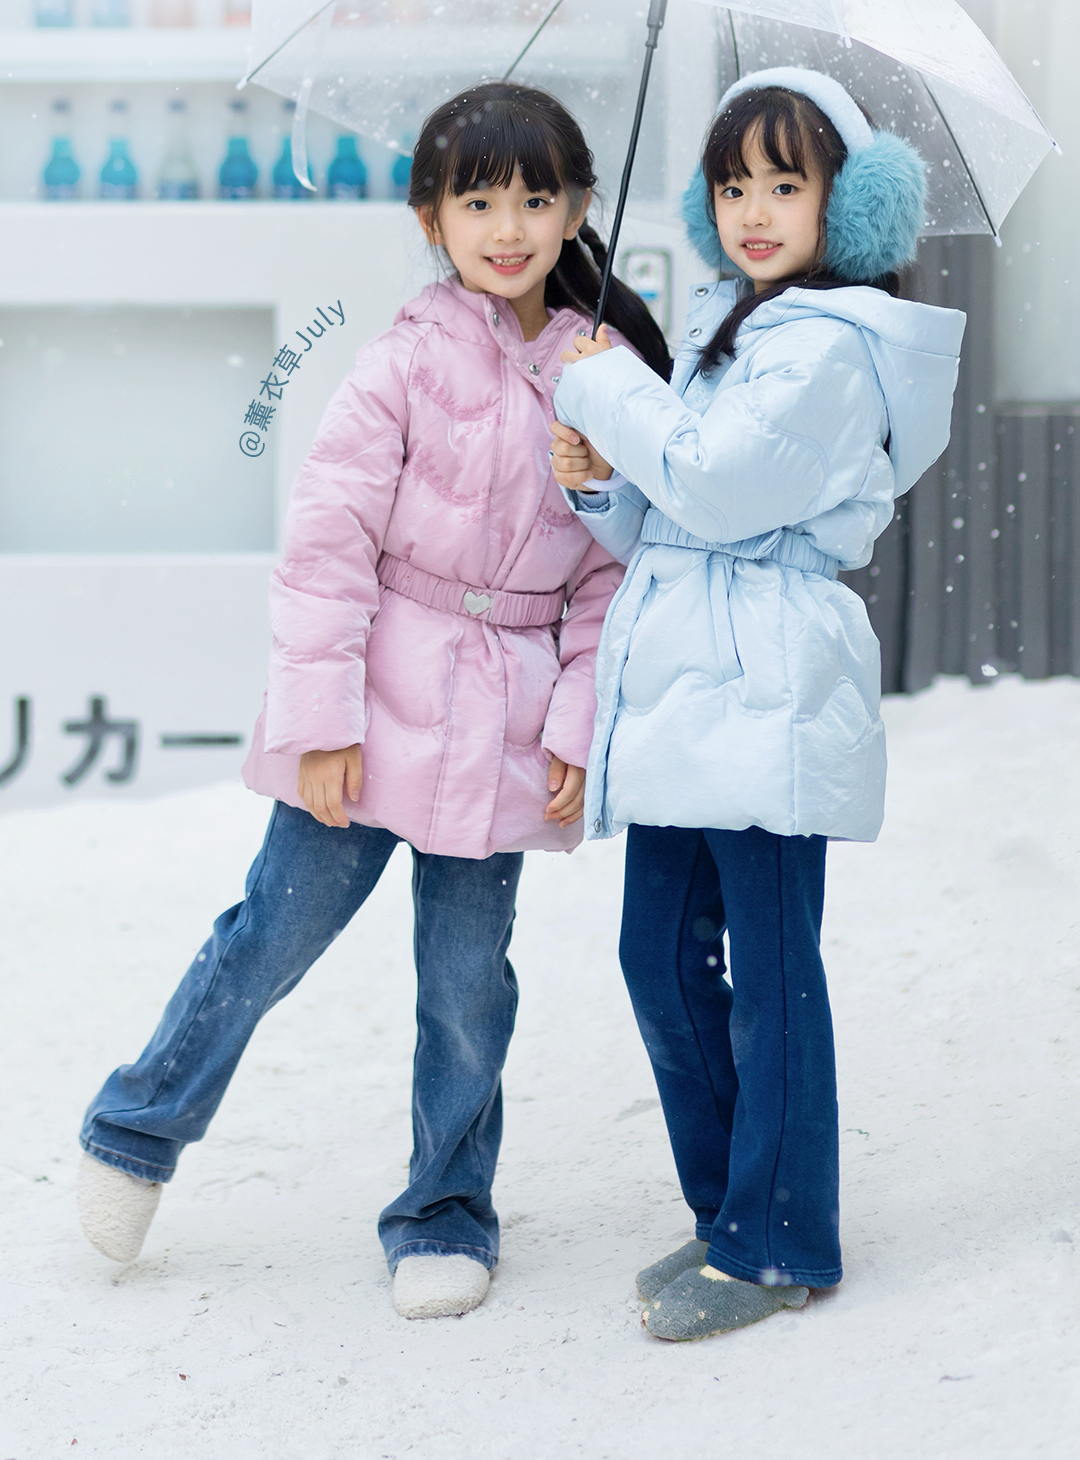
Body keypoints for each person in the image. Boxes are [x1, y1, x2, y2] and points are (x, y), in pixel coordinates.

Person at [76, 81, 669, 1321]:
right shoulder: (403, 358)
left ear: (575, 211)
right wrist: (322, 721)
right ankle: (136, 1128)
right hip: (374, 706)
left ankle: (445, 1207)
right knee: (268, 936)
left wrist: (575, 719)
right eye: (479, 200)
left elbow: (614, 581)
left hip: (505, 728)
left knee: (467, 983)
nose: (509, 227)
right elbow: (328, 541)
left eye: (537, 199)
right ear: (430, 216)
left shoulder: (606, 375)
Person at [550, 68, 965, 1341]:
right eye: (734, 186)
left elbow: (724, 491)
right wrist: (598, 481)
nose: (755, 209)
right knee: (660, 956)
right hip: (689, 675)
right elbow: (672, 514)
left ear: (851, 202)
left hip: (768, 679)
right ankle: (732, 1207)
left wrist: (604, 386)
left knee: (769, 974)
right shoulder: (738, 331)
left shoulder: (834, 345)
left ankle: (780, 1237)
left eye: (788, 182)